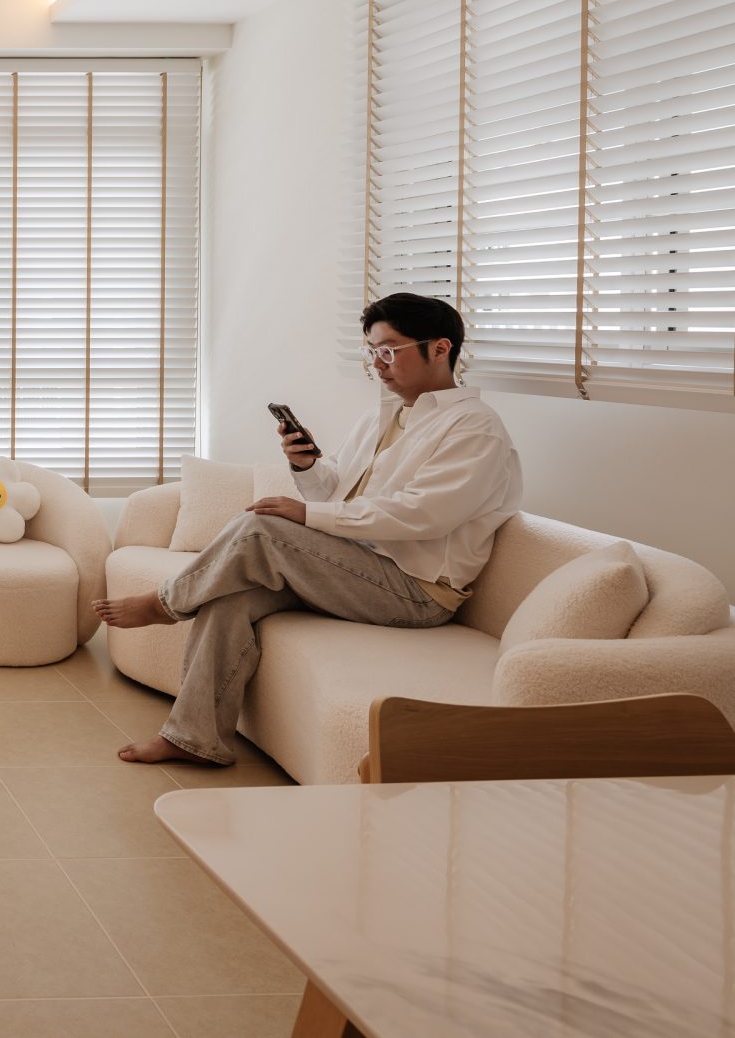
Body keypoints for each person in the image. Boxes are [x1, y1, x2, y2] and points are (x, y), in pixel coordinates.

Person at [90, 293, 523, 766]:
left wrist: (304, 515)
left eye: (389, 350)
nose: (377, 364)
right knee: (228, 599)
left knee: (260, 528)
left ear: (440, 349)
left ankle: (164, 603)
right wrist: (307, 465)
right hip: (354, 567)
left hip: (415, 590)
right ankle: (194, 739)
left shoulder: (475, 427)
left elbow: (422, 514)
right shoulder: (386, 414)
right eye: (371, 351)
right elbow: (333, 491)